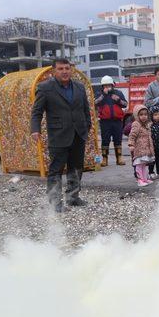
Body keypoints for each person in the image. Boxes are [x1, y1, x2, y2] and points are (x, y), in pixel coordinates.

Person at [30, 58, 91, 212]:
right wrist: (35, 129)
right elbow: (36, 112)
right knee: (56, 170)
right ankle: (55, 203)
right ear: (54, 71)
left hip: (78, 133)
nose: (64, 71)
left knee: (76, 167)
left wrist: (87, 126)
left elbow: (85, 109)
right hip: (58, 135)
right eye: (61, 69)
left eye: (67, 68)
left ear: (71, 70)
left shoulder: (79, 87)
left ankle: (73, 197)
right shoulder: (45, 88)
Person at [94, 75, 127, 167]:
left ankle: (119, 158)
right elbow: (95, 103)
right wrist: (103, 95)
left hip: (117, 121)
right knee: (105, 140)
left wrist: (118, 100)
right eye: (105, 85)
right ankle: (104, 159)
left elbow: (125, 104)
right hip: (105, 122)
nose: (107, 87)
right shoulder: (99, 94)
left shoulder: (118, 93)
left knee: (118, 139)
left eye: (109, 85)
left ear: (113, 85)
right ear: (102, 86)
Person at [128, 105, 155, 187]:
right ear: (137, 115)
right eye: (141, 114)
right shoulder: (136, 124)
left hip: (145, 149)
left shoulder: (146, 125)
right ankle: (140, 180)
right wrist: (131, 144)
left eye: (145, 114)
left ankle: (145, 179)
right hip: (139, 149)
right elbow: (132, 135)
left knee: (144, 164)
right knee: (139, 165)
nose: (144, 116)